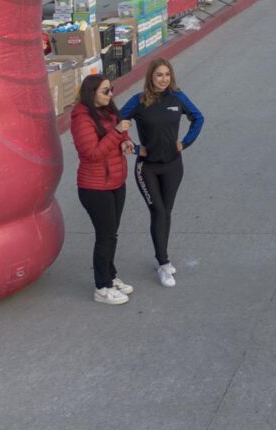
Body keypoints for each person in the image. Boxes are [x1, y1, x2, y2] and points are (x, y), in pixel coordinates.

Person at [120, 58, 204, 288]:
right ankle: (164, 263)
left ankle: (162, 257)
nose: (163, 79)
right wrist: (133, 146)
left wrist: (185, 143)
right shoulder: (139, 101)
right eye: (159, 75)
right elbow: (116, 121)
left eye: (167, 75)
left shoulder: (178, 98)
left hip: (173, 166)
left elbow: (198, 118)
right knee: (157, 210)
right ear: (150, 77)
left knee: (165, 212)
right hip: (147, 167)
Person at [71, 75, 135, 305]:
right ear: (91, 93)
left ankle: (111, 275)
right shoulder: (82, 118)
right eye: (105, 91)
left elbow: (117, 132)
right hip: (94, 187)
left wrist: (125, 139)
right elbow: (92, 153)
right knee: (105, 236)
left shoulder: (108, 111)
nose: (110, 95)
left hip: (116, 182)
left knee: (111, 234)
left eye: (111, 89)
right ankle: (101, 287)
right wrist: (118, 133)